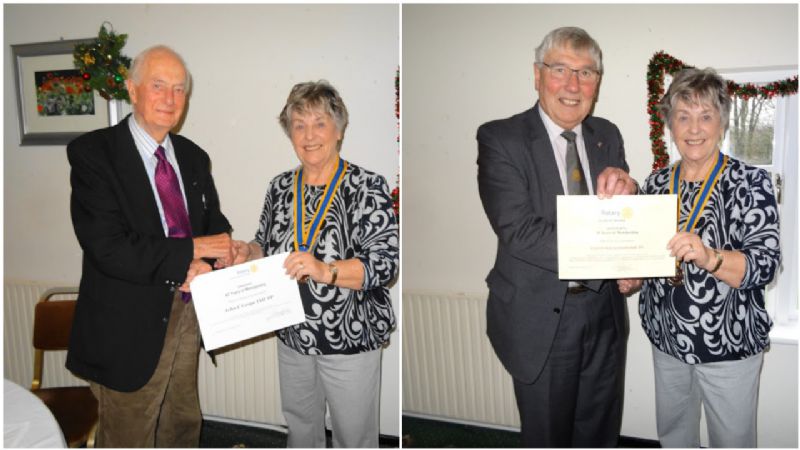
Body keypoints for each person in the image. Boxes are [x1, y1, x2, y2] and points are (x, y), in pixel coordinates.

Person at [476, 26, 638, 447]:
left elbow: (623, 216)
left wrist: (630, 200)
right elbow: (520, 231)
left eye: (586, 73)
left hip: (604, 314)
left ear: (597, 83)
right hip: (542, 317)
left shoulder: (609, 134)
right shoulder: (501, 138)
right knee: (549, 437)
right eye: (560, 69)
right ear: (537, 75)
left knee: (599, 434)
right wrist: (610, 254)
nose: (573, 84)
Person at [66, 45, 233, 447]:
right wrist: (191, 252)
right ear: (132, 89)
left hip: (188, 313)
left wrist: (216, 258)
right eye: (159, 86)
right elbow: (108, 247)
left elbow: (214, 226)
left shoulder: (194, 157)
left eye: (179, 89)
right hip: (128, 325)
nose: (170, 99)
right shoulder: (94, 154)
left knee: (181, 423)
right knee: (130, 433)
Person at [223, 80, 398, 447]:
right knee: (301, 428)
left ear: (339, 129)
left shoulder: (367, 186)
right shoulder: (280, 187)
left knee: (354, 437)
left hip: (350, 338)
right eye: (298, 125)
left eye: (319, 123)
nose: (309, 135)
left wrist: (325, 270)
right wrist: (247, 252)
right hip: (292, 334)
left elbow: (384, 265)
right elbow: (267, 244)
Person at [617, 68, 781, 448]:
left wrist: (711, 257)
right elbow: (647, 254)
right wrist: (635, 278)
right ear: (669, 123)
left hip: (729, 348)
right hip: (667, 342)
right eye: (683, 116)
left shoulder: (749, 183)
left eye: (706, 115)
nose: (694, 128)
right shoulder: (657, 183)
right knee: (675, 437)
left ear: (722, 122)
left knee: (732, 442)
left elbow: (765, 266)